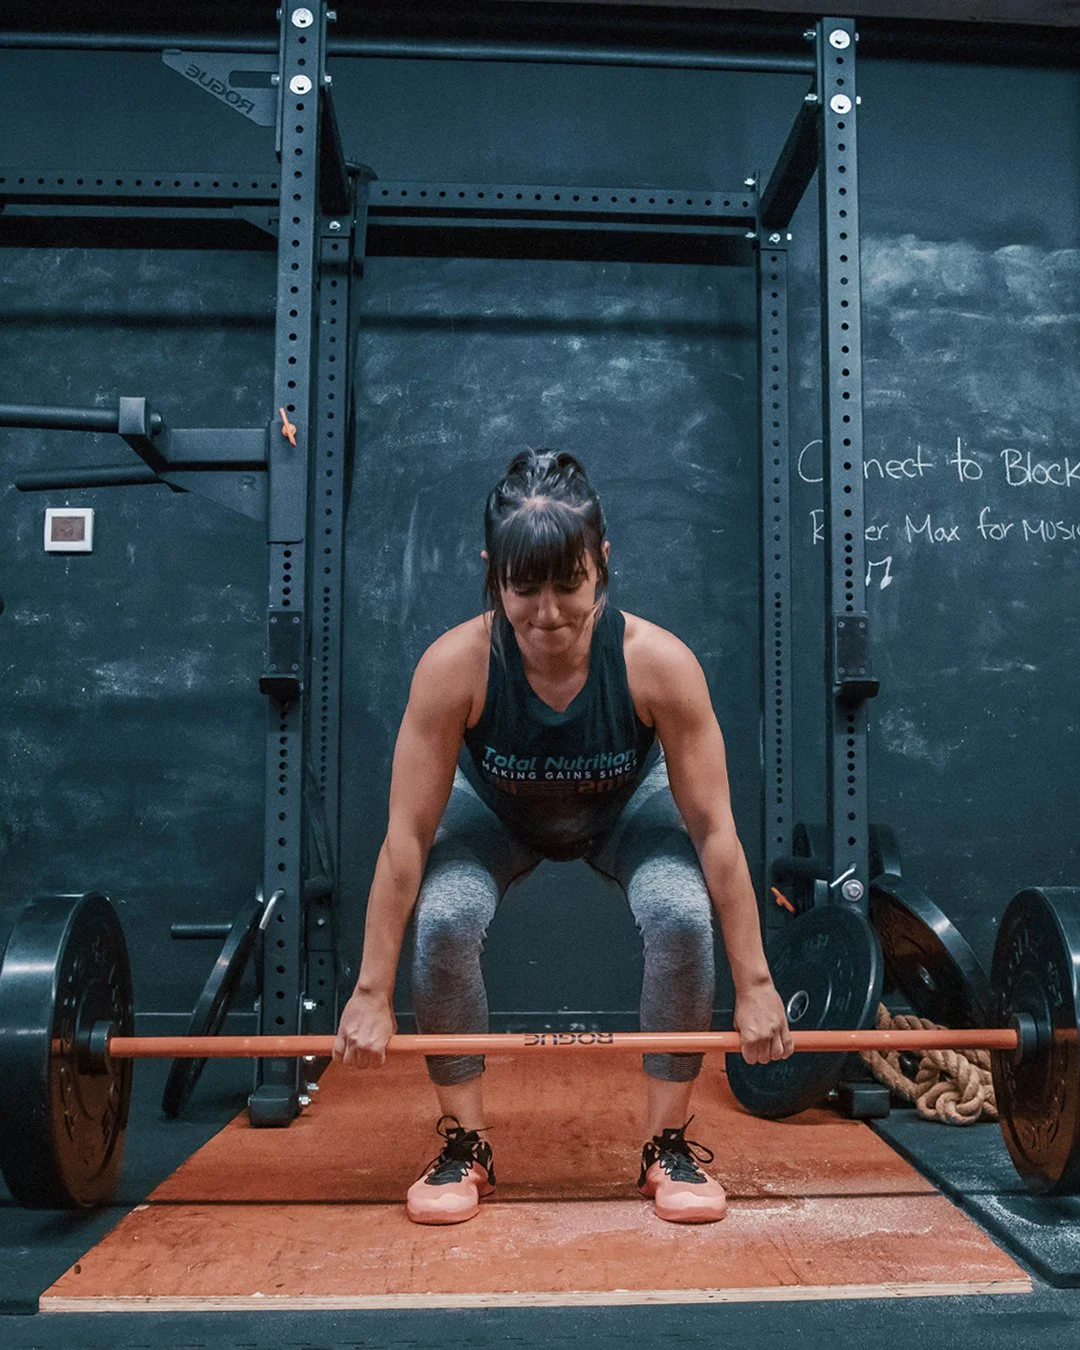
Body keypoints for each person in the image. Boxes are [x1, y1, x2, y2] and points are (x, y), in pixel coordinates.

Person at [334, 449, 793, 1225]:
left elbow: (714, 831)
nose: (547, 613)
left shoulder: (658, 665)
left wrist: (755, 984)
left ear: (601, 562)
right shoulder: (454, 668)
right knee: (444, 918)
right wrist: (371, 992)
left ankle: (666, 1145)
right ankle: (465, 1144)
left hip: (625, 809)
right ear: (493, 574)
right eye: (524, 588)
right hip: (496, 813)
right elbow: (405, 839)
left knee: (681, 913)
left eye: (569, 584)